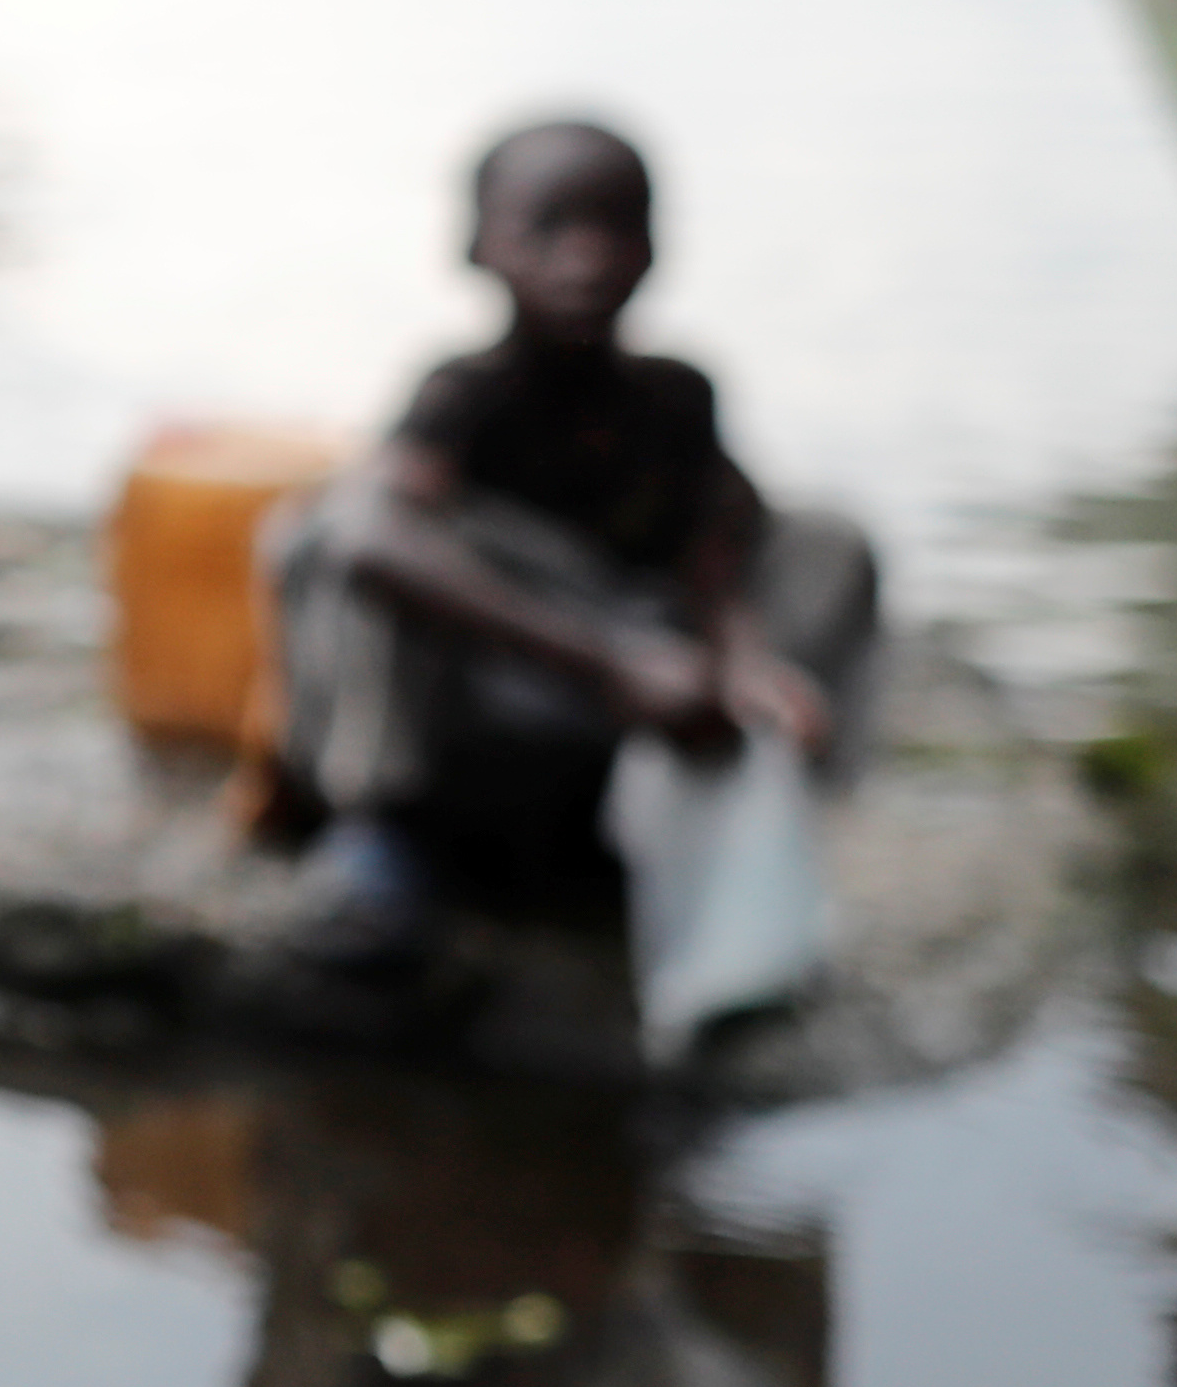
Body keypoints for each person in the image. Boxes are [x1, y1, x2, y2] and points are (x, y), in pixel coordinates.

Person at [260, 121, 877, 971]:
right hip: (512, 681)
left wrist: (744, 661)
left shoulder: (677, 397)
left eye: (616, 227)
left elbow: (718, 544)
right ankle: (374, 836)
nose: (585, 259)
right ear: (479, 247)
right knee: (336, 531)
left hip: (636, 682)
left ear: (655, 247)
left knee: (830, 541)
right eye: (546, 228)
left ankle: (752, 804)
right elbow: (371, 536)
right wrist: (609, 662)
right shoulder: (466, 395)